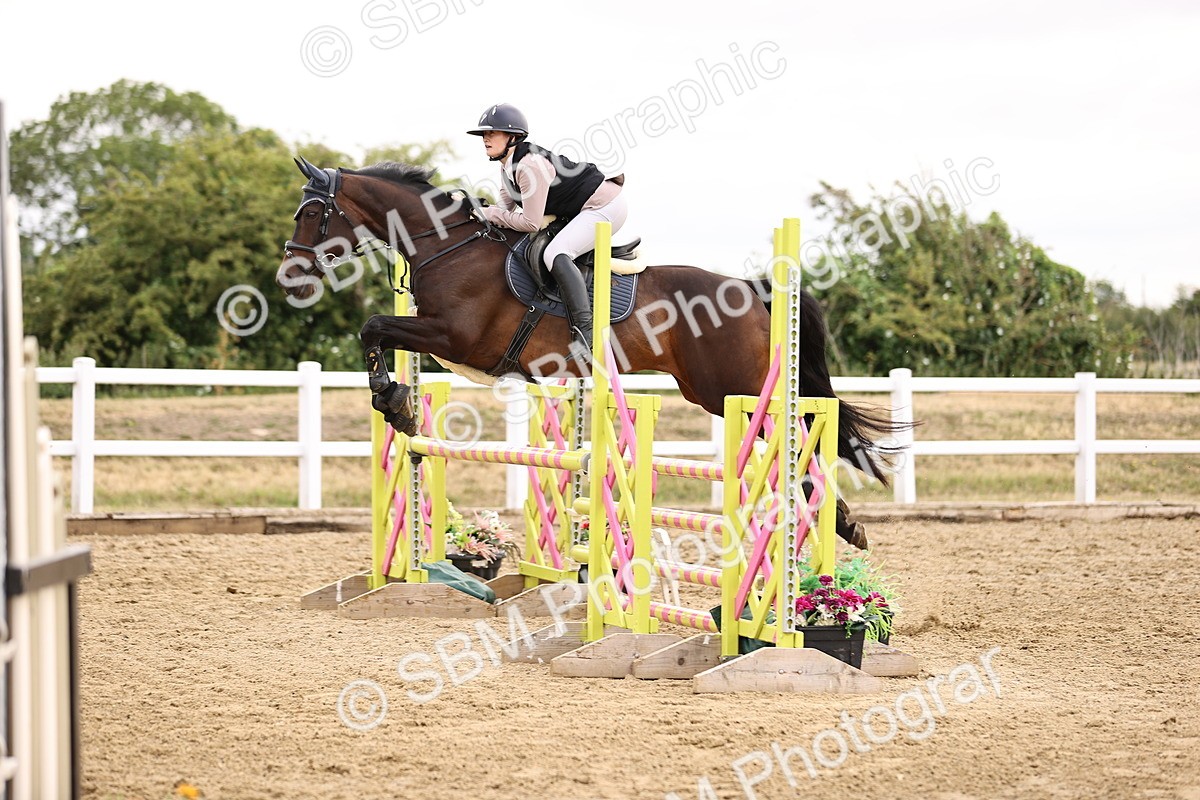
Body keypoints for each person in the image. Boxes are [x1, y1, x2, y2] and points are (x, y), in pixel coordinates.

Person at [468, 103, 628, 355]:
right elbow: (504, 211)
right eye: (484, 134)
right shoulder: (507, 166)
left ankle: (586, 331)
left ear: (513, 137)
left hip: (604, 207)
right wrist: (480, 212)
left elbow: (530, 222)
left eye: (492, 133)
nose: (486, 138)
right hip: (581, 209)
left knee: (555, 253)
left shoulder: (529, 166)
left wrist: (489, 213)